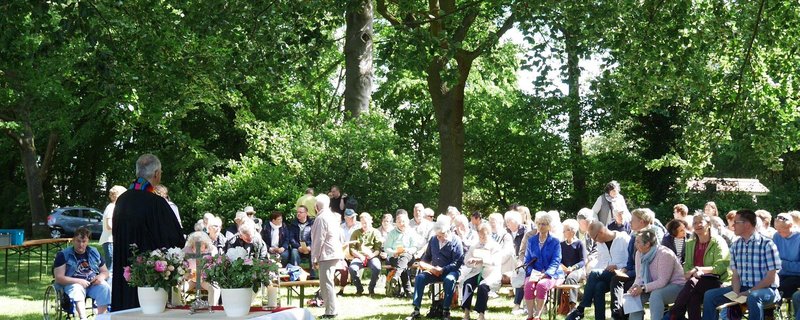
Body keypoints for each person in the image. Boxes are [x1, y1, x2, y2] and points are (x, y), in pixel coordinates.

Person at [111, 154, 185, 311]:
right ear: (157, 174)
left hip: (124, 267)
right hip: (148, 277)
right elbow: (174, 238)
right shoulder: (156, 202)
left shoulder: (122, 200)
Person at [702, 209, 781, 320]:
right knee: (710, 295)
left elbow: (770, 278)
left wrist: (748, 292)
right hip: (742, 288)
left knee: (753, 297)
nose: (733, 225)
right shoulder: (736, 245)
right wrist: (735, 291)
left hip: (767, 289)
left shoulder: (767, 244)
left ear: (747, 224)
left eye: (736, 222)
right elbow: (735, 274)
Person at [669, 213, 730, 320]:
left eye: (700, 222)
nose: (697, 225)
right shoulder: (690, 242)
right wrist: (691, 272)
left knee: (692, 283)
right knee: (693, 297)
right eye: (695, 223)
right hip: (697, 282)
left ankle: (674, 313)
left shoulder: (718, 242)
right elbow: (687, 265)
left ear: (709, 224)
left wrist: (699, 269)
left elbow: (721, 267)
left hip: (718, 281)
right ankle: (676, 314)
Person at [566, 221, 630, 320]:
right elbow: (600, 262)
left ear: (601, 232)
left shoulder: (624, 239)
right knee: (598, 286)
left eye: (595, 238)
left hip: (621, 275)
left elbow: (631, 261)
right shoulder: (601, 244)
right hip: (606, 274)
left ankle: (581, 309)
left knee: (595, 273)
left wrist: (617, 266)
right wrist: (591, 274)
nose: (595, 241)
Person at [610, 208, 664, 320]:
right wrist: (624, 270)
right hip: (636, 271)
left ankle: (619, 314)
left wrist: (631, 274)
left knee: (626, 285)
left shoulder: (655, 233)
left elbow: (655, 258)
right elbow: (630, 260)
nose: (629, 223)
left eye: (632, 220)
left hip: (649, 273)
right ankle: (619, 313)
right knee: (616, 279)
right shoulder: (634, 236)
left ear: (642, 221)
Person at [408, 218, 464, 320]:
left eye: (441, 236)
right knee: (420, 278)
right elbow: (427, 256)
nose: (438, 238)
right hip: (434, 271)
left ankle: (446, 310)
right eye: (437, 235)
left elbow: (458, 262)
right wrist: (424, 265)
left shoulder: (456, 241)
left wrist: (443, 269)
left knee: (449, 280)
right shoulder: (433, 239)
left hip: (450, 271)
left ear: (447, 232)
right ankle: (416, 310)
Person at [626, 228, 685, 320]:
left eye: (638, 242)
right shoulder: (639, 253)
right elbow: (639, 277)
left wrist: (642, 288)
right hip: (652, 285)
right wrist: (635, 286)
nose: (635, 244)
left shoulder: (664, 254)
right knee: (634, 296)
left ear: (647, 244)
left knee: (656, 295)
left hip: (676, 285)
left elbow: (662, 281)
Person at [55, 227, 111, 319]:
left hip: (92, 283)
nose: (81, 244)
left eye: (84, 241)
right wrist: (79, 281)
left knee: (105, 287)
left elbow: (105, 271)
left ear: (88, 241)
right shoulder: (63, 255)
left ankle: (102, 317)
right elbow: (59, 278)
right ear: (73, 240)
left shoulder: (94, 252)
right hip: (72, 284)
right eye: (78, 241)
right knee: (77, 288)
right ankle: (83, 317)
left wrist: (100, 277)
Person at [523, 214, 564, 320]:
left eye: (544, 224)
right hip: (534, 273)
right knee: (528, 285)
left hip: (551, 274)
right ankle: (530, 315)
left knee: (541, 285)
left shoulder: (555, 242)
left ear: (549, 226)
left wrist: (546, 274)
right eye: (539, 224)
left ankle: (538, 316)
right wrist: (532, 272)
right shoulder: (531, 240)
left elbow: (556, 261)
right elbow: (527, 260)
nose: (541, 226)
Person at [311, 194, 344, 319]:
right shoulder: (331, 216)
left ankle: (331, 311)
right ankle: (332, 308)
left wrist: (314, 257)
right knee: (328, 282)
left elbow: (318, 240)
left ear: (316, 206)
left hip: (327, 254)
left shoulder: (321, 218)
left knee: (326, 283)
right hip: (333, 252)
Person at [459, 224, 501, 320]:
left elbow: (496, 262)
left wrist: (482, 261)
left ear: (489, 234)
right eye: (480, 236)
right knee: (467, 284)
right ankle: (466, 312)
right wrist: (470, 261)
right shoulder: (474, 245)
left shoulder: (495, 246)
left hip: (490, 274)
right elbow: (466, 260)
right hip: (476, 271)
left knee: (483, 287)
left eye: (484, 236)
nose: (482, 238)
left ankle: (481, 314)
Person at [347, 212, 383, 296]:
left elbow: (378, 248)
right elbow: (352, 248)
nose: (364, 225)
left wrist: (372, 255)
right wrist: (360, 256)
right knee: (352, 268)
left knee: (377, 267)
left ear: (371, 221)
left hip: (372, 255)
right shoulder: (356, 232)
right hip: (359, 256)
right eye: (362, 223)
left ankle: (371, 288)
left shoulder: (375, 232)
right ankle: (359, 288)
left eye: (366, 223)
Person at [383, 214, 419, 297]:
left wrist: (408, 250)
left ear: (407, 222)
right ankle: (408, 292)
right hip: (395, 257)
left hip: (408, 256)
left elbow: (415, 247)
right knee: (402, 266)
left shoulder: (411, 232)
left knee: (404, 257)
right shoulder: (392, 233)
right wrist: (393, 252)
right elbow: (387, 247)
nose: (401, 223)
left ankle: (396, 275)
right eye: (399, 222)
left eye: (403, 221)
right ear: (396, 223)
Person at [182, 231, 220, 306]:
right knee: (178, 288)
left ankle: (212, 309)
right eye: (195, 246)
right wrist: (186, 273)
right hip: (191, 279)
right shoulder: (186, 250)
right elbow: (180, 264)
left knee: (214, 288)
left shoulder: (212, 250)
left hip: (205, 279)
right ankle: (178, 309)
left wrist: (206, 274)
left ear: (205, 244)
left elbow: (215, 265)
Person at [773, 212, 800, 307]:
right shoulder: (776, 236)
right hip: (781, 274)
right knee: (765, 286)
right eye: (777, 229)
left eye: (782, 229)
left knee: (780, 288)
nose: (779, 232)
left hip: (796, 276)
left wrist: (782, 263)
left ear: (791, 226)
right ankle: (768, 316)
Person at [560, 219, 587, 312]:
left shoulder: (579, 243)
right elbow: (559, 260)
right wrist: (562, 267)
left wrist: (573, 268)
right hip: (564, 269)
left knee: (571, 278)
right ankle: (559, 304)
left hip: (577, 270)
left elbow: (583, 261)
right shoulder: (561, 244)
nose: (563, 232)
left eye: (566, 229)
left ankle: (572, 306)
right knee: (558, 277)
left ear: (573, 231)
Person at [99, 185, 126, 276]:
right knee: (111, 269)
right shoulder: (112, 207)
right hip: (110, 241)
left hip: (111, 241)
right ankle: (109, 288)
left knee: (113, 267)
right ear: (118, 196)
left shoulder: (114, 207)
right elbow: (109, 225)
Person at [289, 205, 314, 272]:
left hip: (309, 247)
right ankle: (296, 274)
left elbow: (315, 238)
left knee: (314, 252)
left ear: (306, 213)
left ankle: (313, 275)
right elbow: (291, 238)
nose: (298, 214)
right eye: (297, 212)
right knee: (294, 252)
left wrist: (310, 247)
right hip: (298, 247)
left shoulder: (312, 224)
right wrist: (298, 247)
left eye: (300, 212)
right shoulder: (293, 224)